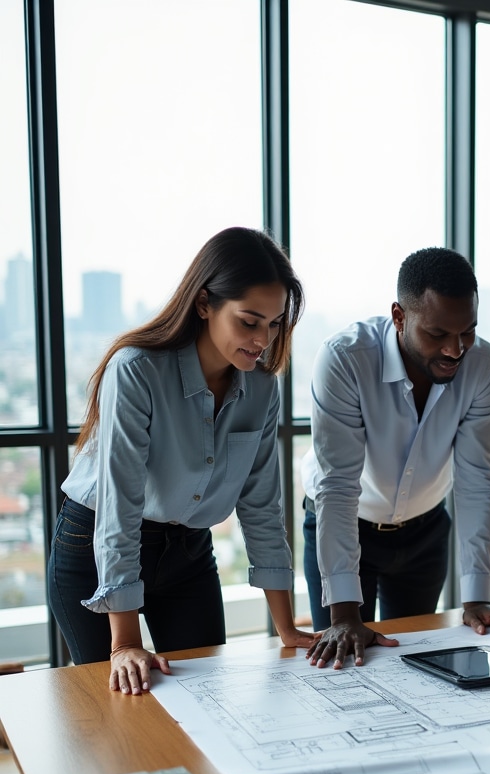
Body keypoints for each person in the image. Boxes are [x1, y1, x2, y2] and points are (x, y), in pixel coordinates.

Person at [47, 227, 316, 696]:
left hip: (189, 551)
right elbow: (120, 507)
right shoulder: (136, 370)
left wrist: (286, 627)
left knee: (206, 701)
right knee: (121, 711)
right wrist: (125, 643)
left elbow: (261, 505)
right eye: (249, 321)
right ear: (204, 303)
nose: (263, 340)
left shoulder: (262, 388)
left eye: (274, 325)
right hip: (95, 547)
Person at [303, 247, 490, 670]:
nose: (455, 349)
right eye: (438, 334)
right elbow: (336, 485)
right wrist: (345, 616)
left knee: (415, 665)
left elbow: (478, 478)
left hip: (424, 532)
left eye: (467, 332)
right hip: (345, 523)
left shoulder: (484, 365)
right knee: (345, 664)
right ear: (399, 316)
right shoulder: (345, 359)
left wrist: (478, 597)